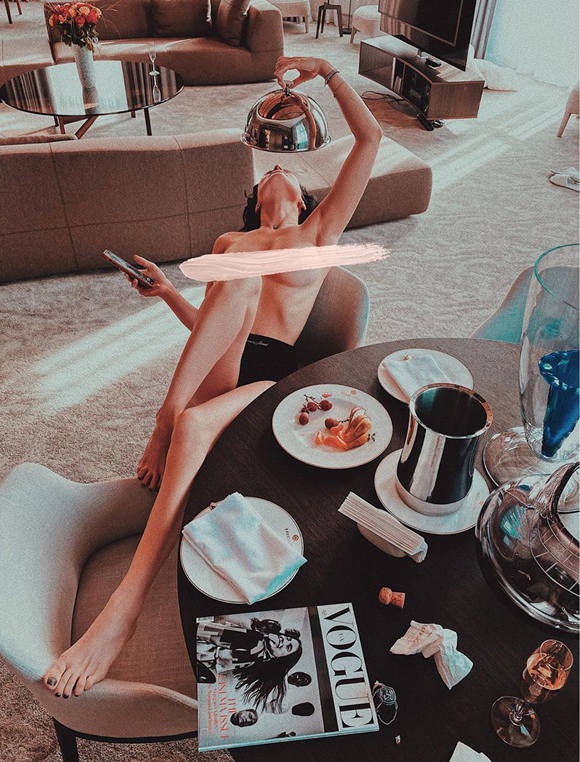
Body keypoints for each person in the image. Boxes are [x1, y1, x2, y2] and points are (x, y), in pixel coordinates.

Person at [42, 55, 383, 699]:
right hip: (229, 351)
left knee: (197, 422)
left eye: (283, 167)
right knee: (235, 275)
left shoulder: (318, 231)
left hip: (273, 376)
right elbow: (214, 326)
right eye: (264, 171)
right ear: (254, 200)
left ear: (303, 195)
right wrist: (169, 293)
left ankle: (124, 606)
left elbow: (371, 139)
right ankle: (165, 421)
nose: (273, 169)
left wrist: (328, 73)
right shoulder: (232, 241)